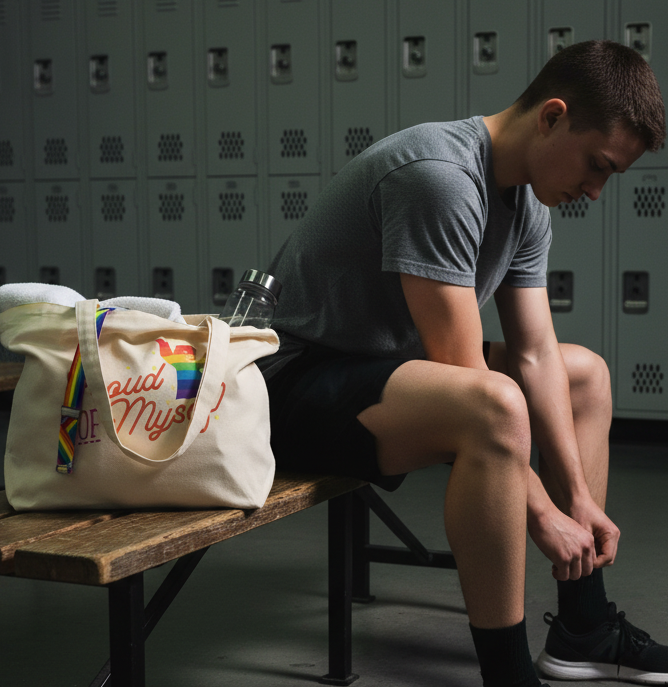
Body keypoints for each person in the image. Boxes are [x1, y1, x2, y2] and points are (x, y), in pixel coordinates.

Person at [257, 40, 667, 686]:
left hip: (385, 370)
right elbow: (464, 372)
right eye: (596, 165)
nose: (594, 189)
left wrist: (579, 504)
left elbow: (532, 351)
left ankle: (582, 624)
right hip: (290, 389)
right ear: (551, 116)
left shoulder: (528, 200)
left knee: (582, 371)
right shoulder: (439, 175)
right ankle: (505, 673)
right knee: (492, 404)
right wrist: (543, 517)